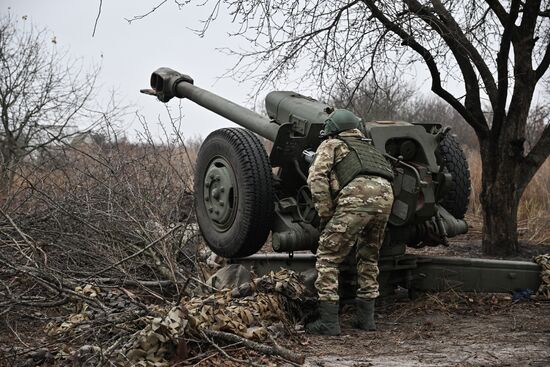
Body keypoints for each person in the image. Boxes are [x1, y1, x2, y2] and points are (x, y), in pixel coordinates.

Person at [305, 109, 394, 335]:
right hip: (385, 199)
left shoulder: (332, 144)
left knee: (327, 256)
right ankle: (366, 320)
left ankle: (329, 323)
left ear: (333, 128)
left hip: (356, 199)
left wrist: (326, 213)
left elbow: (316, 178)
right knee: (369, 257)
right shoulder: (367, 146)